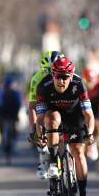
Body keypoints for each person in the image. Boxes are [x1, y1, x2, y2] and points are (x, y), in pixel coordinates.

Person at [35, 57, 96, 196]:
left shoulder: (78, 84)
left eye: (65, 77)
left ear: (71, 76)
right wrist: (40, 135)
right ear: (53, 75)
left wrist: (89, 134)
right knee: (52, 119)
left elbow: (89, 114)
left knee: (78, 151)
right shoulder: (44, 86)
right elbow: (40, 118)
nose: (61, 81)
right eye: (58, 77)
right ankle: (54, 163)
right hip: (53, 117)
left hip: (75, 117)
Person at [27, 50, 63, 178]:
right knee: (41, 128)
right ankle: (44, 158)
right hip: (45, 106)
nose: (51, 75)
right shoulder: (37, 79)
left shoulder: (66, 75)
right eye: (47, 71)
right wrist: (33, 129)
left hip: (64, 105)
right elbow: (32, 107)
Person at [0, 76, 23, 164]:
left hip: (4, 114)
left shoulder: (2, 92)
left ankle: (3, 141)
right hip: (13, 114)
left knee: (3, 127)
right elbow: (19, 104)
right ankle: (13, 145)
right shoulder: (16, 93)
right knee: (15, 129)